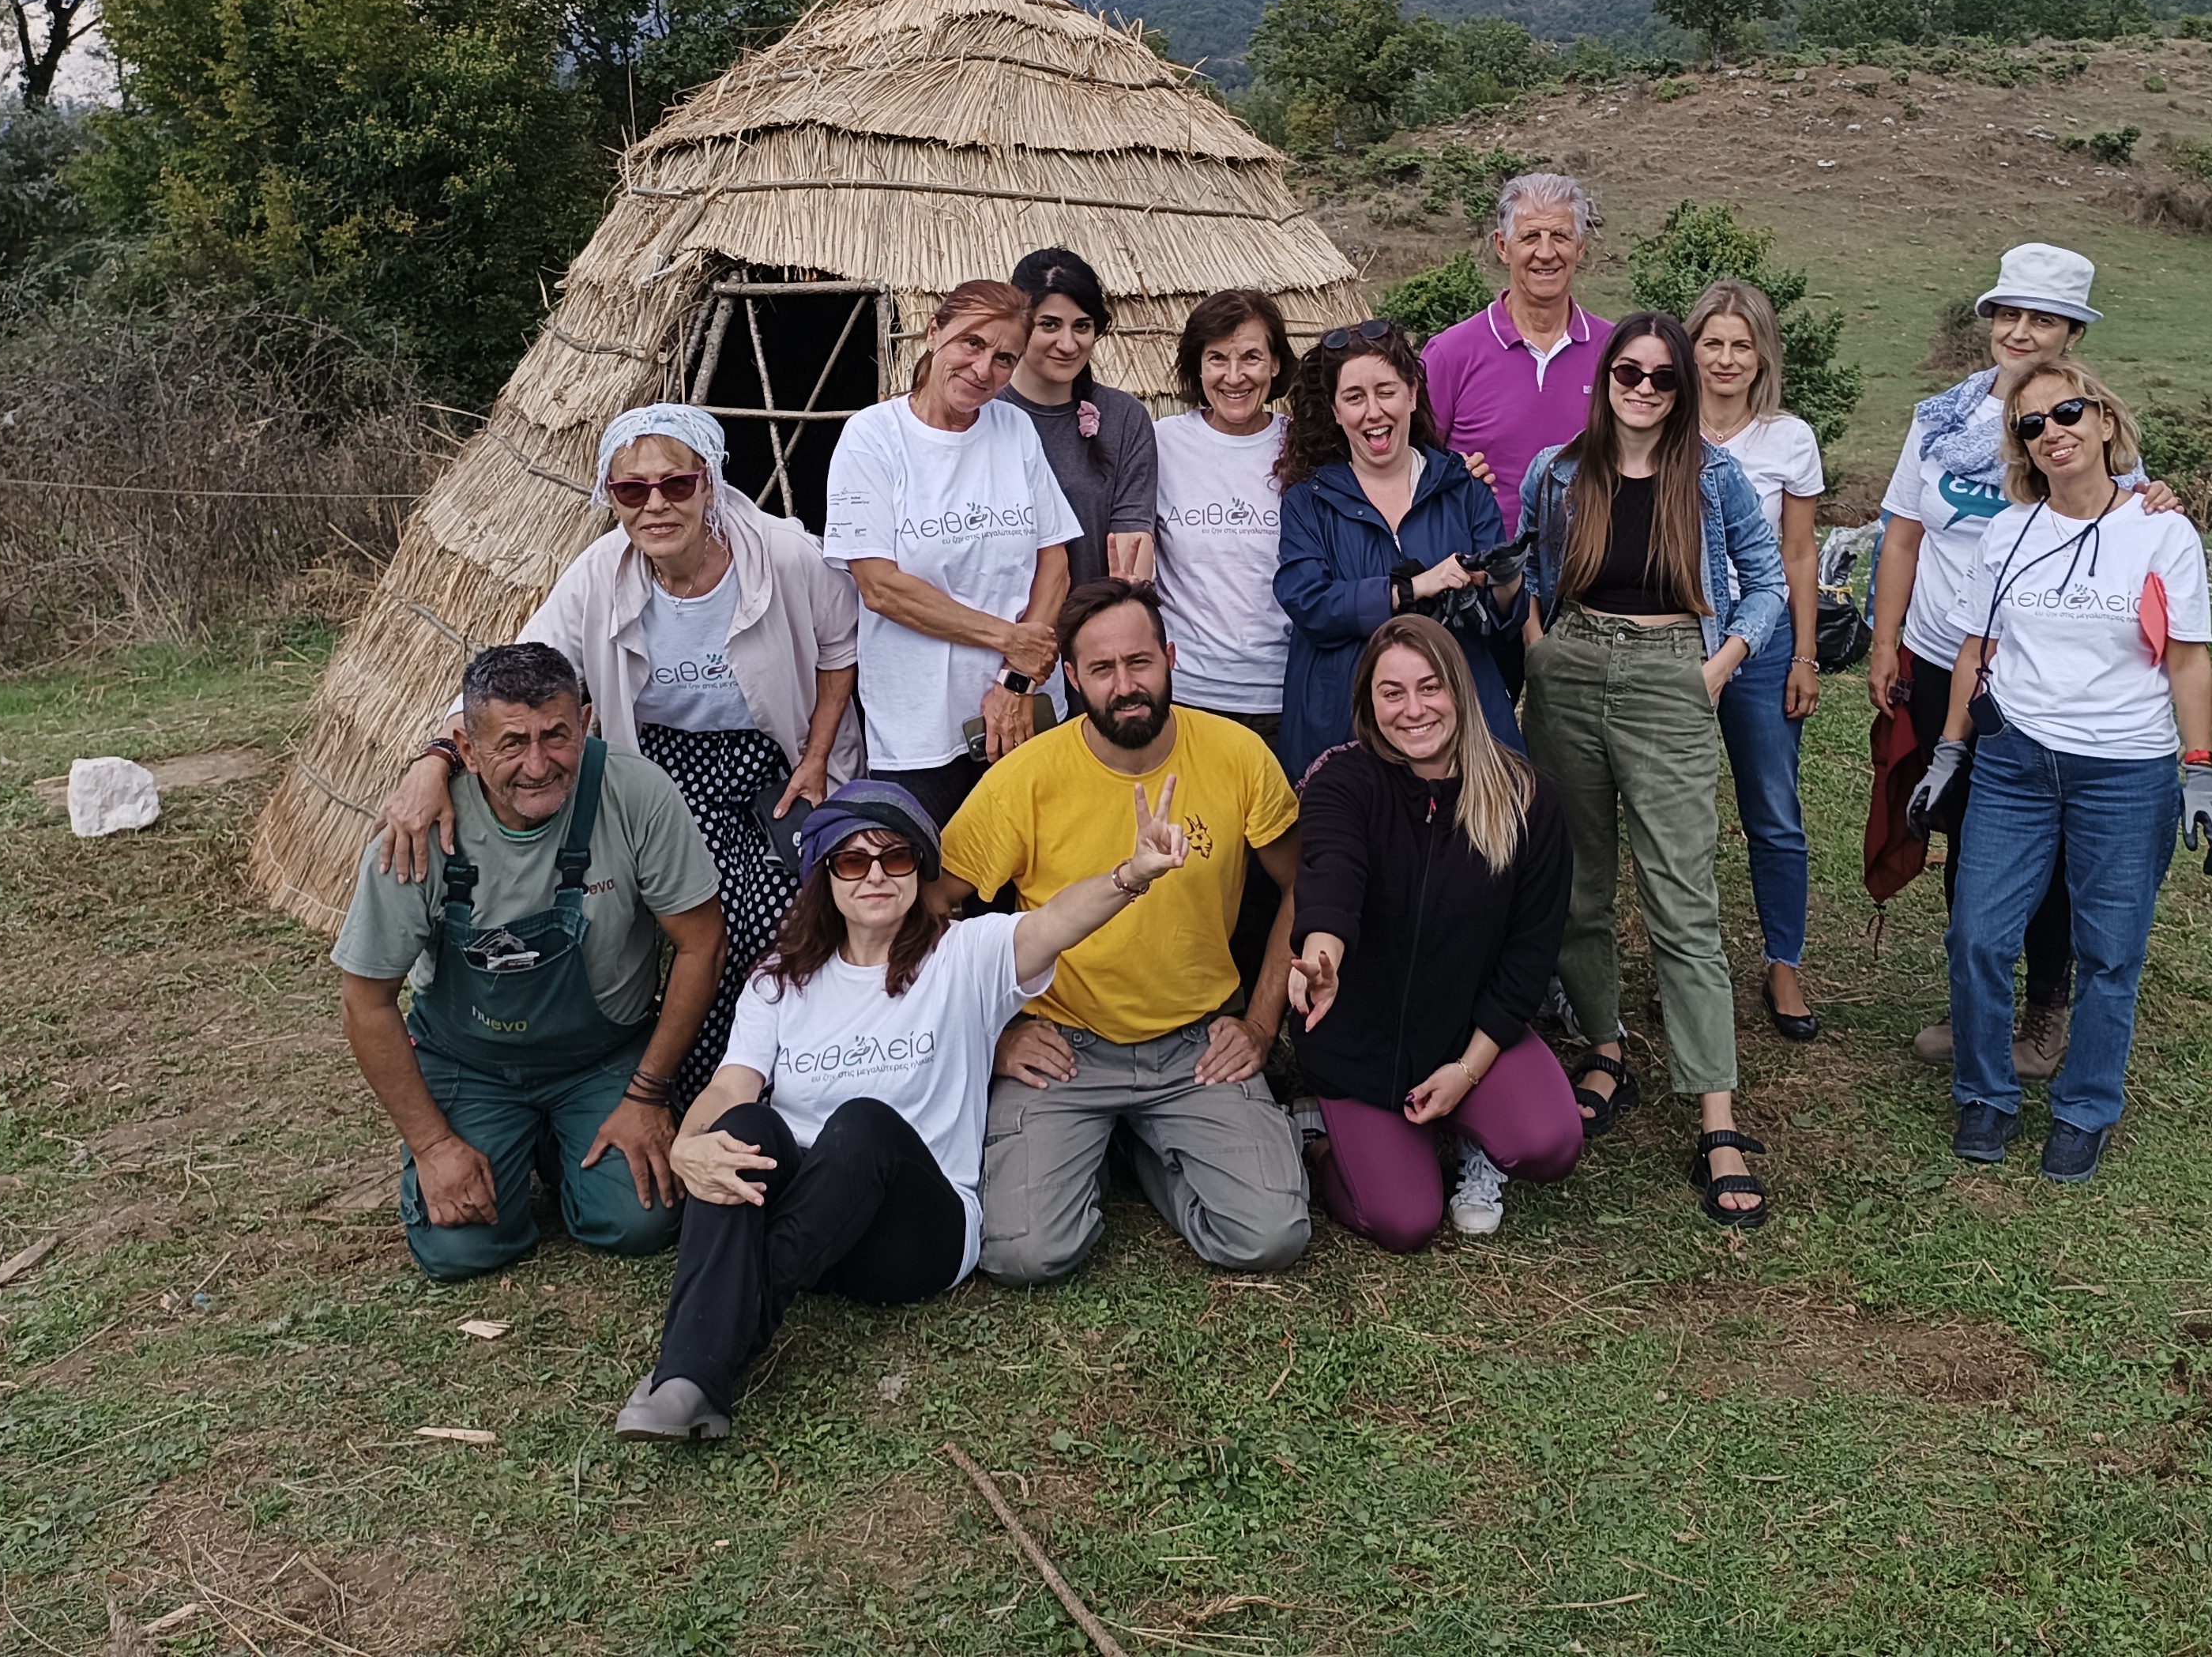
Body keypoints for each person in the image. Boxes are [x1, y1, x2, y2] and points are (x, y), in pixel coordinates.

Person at [614, 774, 1197, 1441]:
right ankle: (693, 1377)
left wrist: (1133, 874)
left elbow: (1057, 921)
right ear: (824, 874)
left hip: (912, 1235)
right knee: (742, 1128)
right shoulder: (780, 978)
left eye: (895, 858)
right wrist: (691, 1145)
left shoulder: (964, 955)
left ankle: (698, 1359)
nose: (875, 876)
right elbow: (728, 1088)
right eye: (852, 860)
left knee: (863, 1123)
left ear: (920, 870)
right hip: (812, 1221)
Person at [369, 403, 859, 1103]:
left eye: (676, 485)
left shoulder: (781, 555)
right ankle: (703, 1092)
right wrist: (434, 758)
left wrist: (815, 759)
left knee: (785, 911)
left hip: (775, 761)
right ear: (612, 499)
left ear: (709, 483)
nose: (656, 504)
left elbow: (840, 653)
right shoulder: (601, 573)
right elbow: (523, 672)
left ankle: (798, 1081)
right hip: (663, 769)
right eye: (632, 491)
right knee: (707, 919)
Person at [1907, 360, 2212, 1183]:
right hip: (2016, 763)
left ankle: (2085, 1107)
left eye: (2065, 412)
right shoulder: (2008, 530)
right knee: (1977, 935)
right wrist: (1951, 752)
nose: (2050, 431)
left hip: (2125, 772)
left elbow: (2189, 662)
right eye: (2029, 423)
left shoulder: (2162, 532)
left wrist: (2198, 772)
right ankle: (1984, 1094)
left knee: (2110, 952)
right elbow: (1974, 652)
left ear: (2101, 421)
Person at [1865, 244, 2176, 1080]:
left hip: (2040, 676)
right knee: (1963, 832)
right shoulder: (1938, 419)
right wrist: (1884, 640)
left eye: (2041, 318)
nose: (2020, 331)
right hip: (1942, 661)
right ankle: (1979, 1002)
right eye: (2008, 314)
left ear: (2071, 332)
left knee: (2043, 842)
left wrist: (2159, 501)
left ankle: (2046, 1009)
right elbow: (1902, 532)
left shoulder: (2083, 425)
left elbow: (2133, 532)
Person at [947, 580, 1313, 1285]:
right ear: (1074, 681)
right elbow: (931, 906)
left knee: (1270, 1237)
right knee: (1025, 1254)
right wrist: (994, 1035)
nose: (1126, 686)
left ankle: (1145, 1148)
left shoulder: (1237, 755)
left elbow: (1304, 882)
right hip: (1064, 1046)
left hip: (1196, 1043)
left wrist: (1262, 1026)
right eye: (1103, 670)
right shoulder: (1024, 778)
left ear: (1171, 658)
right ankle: (1109, 1138)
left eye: (1140, 662)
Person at [333, 642, 724, 1282]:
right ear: (465, 743)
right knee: (460, 1249)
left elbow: (702, 944)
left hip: (602, 1060)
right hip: (472, 1062)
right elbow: (365, 1001)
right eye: (512, 743)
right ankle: (518, 1139)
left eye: (557, 736)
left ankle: (562, 1141)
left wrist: (647, 1094)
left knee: (641, 1222)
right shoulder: (418, 829)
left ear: (587, 722)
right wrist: (434, 1148)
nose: (538, 764)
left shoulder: (636, 792)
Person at [1519, 311, 1787, 1226]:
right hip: (1572, 667)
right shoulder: (1557, 471)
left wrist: (1718, 667)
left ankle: (1716, 1115)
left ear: (1681, 390)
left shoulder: (1713, 478)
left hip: (1673, 671)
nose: (1642, 389)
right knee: (1578, 882)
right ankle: (1605, 1048)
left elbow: (1768, 580)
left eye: (1661, 377)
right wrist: (1538, 652)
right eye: (1627, 374)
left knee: (1682, 896)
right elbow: (1530, 569)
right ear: (1605, 381)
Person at [1285, 615, 1580, 1249]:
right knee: (1405, 1221)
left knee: (1548, 1145)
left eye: (1430, 687)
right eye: (1392, 693)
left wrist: (1469, 1071)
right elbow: (1330, 879)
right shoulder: (1343, 782)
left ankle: (1476, 1132)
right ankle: (1325, 1143)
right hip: (1362, 1044)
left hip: (1467, 1027)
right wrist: (1321, 955)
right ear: (1369, 702)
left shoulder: (1527, 798)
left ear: (1461, 691)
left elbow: (1530, 955)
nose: (1413, 709)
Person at [825, 281, 1079, 827]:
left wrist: (1016, 680)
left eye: (1004, 358)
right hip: (919, 727)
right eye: (972, 343)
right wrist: (1010, 639)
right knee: (928, 887)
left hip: (1022, 710)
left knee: (1024, 883)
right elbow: (881, 587)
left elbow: (1053, 564)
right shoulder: (873, 437)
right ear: (934, 331)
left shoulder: (1014, 429)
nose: (984, 369)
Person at [1273, 320, 1527, 781]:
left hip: (1455, 713)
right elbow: (1308, 601)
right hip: (1344, 716)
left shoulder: (1465, 488)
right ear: (1334, 410)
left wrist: (1505, 583)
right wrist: (1411, 588)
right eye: (1354, 397)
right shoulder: (1308, 502)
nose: (1373, 412)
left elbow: (1501, 620)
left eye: (1386, 391)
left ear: (1412, 394)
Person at [1687, 280, 1828, 1041]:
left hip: (1765, 641)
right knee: (1677, 813)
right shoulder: (1661, 423)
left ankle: (1783, 963)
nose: (1726, 359)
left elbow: (1799, 552)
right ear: (1691, 347)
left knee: (1772, 808)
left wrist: (1805, 653)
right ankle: (1691, 961)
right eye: (1713, 343)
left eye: (1742, 345)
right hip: (1680, 637)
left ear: (1762, 354)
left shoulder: (1787, 439)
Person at [1153, 288, 1297, 983]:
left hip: (1284, 690)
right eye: (1217, 358)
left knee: (1281, 862)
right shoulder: (1161, 444)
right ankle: (1197, 1000)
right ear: (1195, 366)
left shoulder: (1304, 447)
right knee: (1199, 858)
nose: (1234, 375)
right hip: (1195, 694)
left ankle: (1273, 1007)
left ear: (1275, 365)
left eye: (1251, 357)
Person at [1418, 171, 1608, 538]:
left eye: (1561, 236)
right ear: (1503, 246)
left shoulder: (1616, 352)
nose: (1546, 252)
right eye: (1531, 237)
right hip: (1481, 575)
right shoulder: (1449, 353)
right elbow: (1409, 466)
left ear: (1581, 247)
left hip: (1591, 575)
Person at [1003, 247, 1160, 591]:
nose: (1068, 343)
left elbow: (1132, 545)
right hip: (998, 631)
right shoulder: (983, 413)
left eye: (1082, 326)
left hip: (1094, 630)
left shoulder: (1124, 418)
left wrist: (1125, 598)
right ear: (1020, 324)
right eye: (1049, 324)